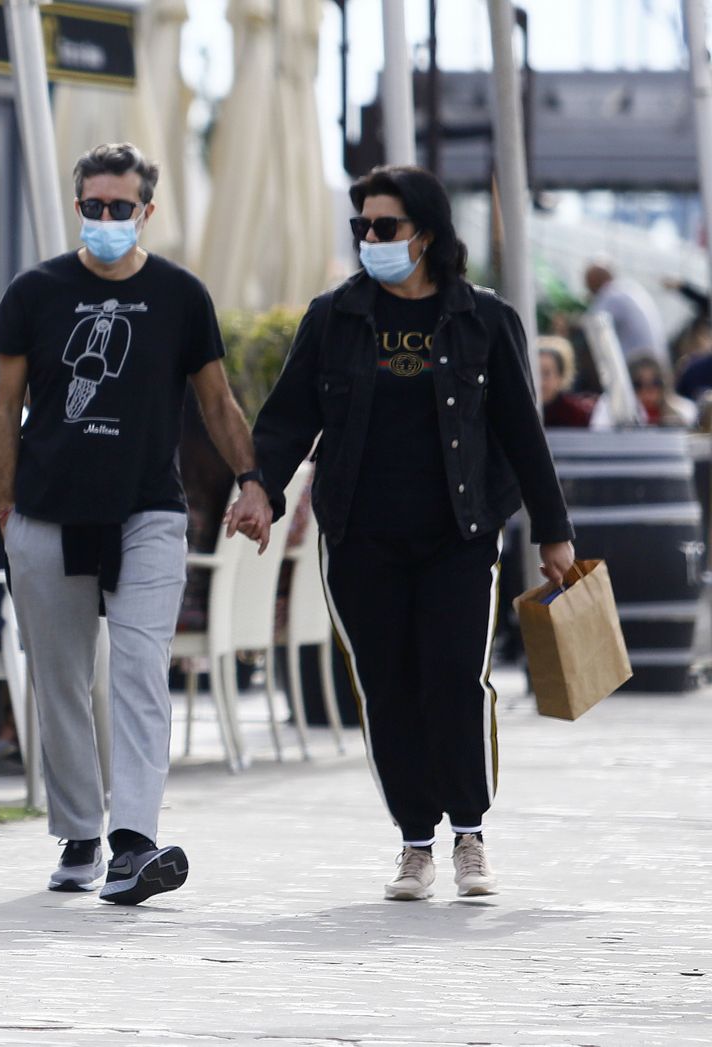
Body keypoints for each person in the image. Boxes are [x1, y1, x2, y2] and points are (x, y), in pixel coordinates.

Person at [252, 165, 576, 902]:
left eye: (385, 227)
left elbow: (523, 433)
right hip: (361, 538)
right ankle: (413, 842)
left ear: (425, 234)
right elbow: (286, 421)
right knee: (388, 688)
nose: (371, 238)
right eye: (361, 226)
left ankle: (469, 832)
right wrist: (258, 490)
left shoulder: (483, 321)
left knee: (454, 680)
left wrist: (554, 531)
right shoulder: (334, 318)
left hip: (458, 537)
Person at [0, 142, 270, 905]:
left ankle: (134, 842)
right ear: (77, 205)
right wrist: (6, 506)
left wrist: (251, 479)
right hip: (47, 511)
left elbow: (216, 403)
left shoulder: (181, 294)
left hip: (149, 510)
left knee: (140, 669)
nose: (106, 219)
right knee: (62, 681)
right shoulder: (35, 291)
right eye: (92, 207)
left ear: (147, 210)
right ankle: (79, 830)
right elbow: (4, 405)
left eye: (120, 207)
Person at [585, 259, 667, 367]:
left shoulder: (610, 294)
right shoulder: (629, 287)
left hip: (639, 367)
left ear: (595, 281)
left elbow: (592, 324)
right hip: (657, 362)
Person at [536, 336, 596, 429]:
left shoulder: (577, 416)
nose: (540, 382)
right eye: (535, 373)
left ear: (560, 377)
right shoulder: (520, 412)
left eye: (546, 373)